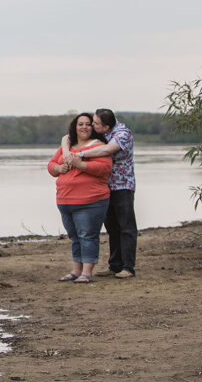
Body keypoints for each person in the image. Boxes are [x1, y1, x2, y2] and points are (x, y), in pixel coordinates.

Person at [62, 108, 137, 278]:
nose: (92, 126)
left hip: (122, 185)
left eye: (95, 123)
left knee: (126, 226)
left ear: (106, 126)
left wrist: (79, 154)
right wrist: (67, 152)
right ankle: (115, 265)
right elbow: (67, 137)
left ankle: (128, 267)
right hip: (104, 187)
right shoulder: (101, 134)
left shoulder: (122, 134)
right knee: (112, 227)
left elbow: (105, 150)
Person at [47, 113, 113, 284]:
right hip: (65, 201)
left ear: (93, 127)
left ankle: (87, 272)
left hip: (90, 201)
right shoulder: (67, 147)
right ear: (74, 127)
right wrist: (59, 168)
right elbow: (51, 165)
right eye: (80, 124)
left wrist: (80, 165)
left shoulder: (98, 146)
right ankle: (76, 270)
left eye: (88, 124)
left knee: (87, 236)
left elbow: (104, 168)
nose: (84, 127)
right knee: (75, 237)